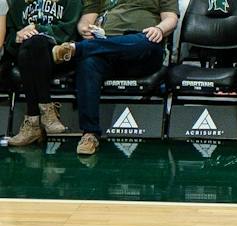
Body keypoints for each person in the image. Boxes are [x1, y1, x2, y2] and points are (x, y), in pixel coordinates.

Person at [51, 0, 178, 156]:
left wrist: (159, 29)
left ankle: (78, 49)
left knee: (145, 41)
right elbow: (86, 20)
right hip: (105, 47)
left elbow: (171, 18)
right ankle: (90, 134)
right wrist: (84, 29)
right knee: (88, 63)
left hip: (142, 48)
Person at [3, 0, 79, 146]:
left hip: (57, 55)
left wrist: (37, 28)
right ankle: (47, 112)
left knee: (36, 42)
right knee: (30, 45)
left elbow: (68, 33)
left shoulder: (71, 1)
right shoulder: (19, 3)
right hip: (26, 54)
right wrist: (18, 37)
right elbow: (11, 40)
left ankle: (32, 121)